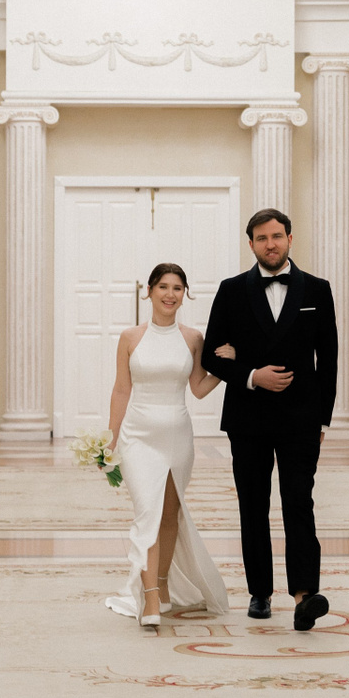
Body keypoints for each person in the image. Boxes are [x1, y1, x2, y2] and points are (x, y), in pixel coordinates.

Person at [200, 209, 340, 633]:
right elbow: (210, 356)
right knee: (253, 504)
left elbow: (328, 360)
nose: (270, 244)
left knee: (299, 503)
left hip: (301, 419)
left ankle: (304, 596)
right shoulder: (231, 290)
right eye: (261, 238)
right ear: (251, 244)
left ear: (290, 239)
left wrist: (322, 421)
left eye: (277, 236)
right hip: (248, 417)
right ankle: (259, 592)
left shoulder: (317, 289)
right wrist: (250, 375)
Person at [103, 264, 231, 626]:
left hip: (177, 438)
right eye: (163, 287)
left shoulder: (193, 338)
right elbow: (121, 389)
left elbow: (199, 388)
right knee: (148, 513)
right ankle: (149, 599)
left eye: (177, 288)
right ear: (149, 291)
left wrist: (226, 369)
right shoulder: (130, 337)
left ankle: (161, 585)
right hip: (138, 437)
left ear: (184, 295)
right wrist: (110, 439)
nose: (169, 294)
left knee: (169, 515)